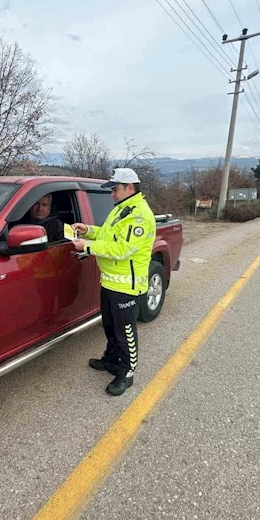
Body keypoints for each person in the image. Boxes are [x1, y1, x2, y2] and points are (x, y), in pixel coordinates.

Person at [72, 168, 156, 396]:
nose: (112, 194)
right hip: (110, 282)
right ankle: (111, 360)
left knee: (125, 331)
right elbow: (109, 236)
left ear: (130, 187)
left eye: (115, 189)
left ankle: (127, 373)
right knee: (110, 327)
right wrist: (88, 231)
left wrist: (86, 247)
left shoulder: (139, 215)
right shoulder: (122, 210)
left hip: (126, 286)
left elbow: (121, 249)